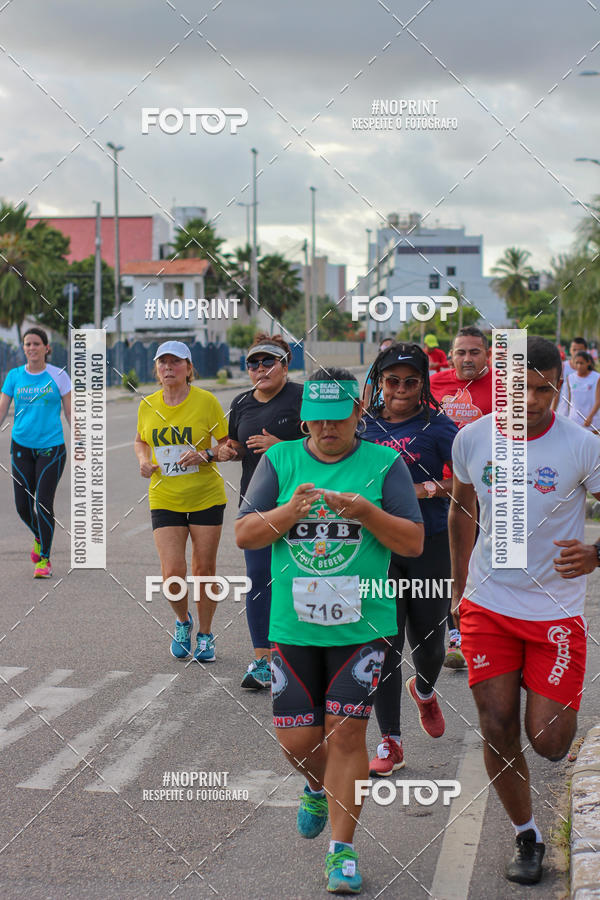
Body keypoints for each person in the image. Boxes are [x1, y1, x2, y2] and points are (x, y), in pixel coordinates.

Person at [235, 368, 423, 895]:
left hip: (365, 626)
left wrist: (366, 513)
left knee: (345, 735)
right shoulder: (280, 460)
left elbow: (411, 542)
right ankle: (316, 785)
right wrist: (286, 514)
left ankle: (342, 852)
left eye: (337, 419)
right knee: (297, 741)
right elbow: (244, 533)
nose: (326, 430)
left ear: (358, 414)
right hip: (293, 626)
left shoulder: (384, 464)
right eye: (315, 420)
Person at [449, 336, 600, 886]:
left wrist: (596, 553)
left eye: (543, 389)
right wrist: (457, 586)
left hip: (555, 614)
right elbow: (462, 509)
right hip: (487, 606)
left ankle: (555, 713)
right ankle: (527, 834)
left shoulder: (582, 447)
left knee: (551, 742)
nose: (531, 400)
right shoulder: (472, 438)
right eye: (519, 388)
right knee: (496, 724)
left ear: (560, 387)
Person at [362, 343, 458, 776]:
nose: (400, 389)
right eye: (392, 380)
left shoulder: (440, 429)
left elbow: (468, 486)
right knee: (384, 645)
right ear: (379, 382)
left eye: (411, 381)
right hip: (377, 550)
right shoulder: (361, 428)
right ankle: (391, 741)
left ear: (423, 385)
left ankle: (423, 690)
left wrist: (426, 491)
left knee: (430, 645)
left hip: (429, 545)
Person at [216, 333, 303, 690]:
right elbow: (235, 442)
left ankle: (298, 658)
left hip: (300, 506)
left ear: (286, 364)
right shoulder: (241, 403)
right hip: (256, 504)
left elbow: (329, 443)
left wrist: (280, 446)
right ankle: (263, 662)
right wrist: (228, 450)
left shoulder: (302, 398)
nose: (261, 369)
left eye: (269, 362)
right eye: (254, 363)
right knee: (258, 582)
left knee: (297, 581)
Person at [135, 340, 229, 663]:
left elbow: (227, 446)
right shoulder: (147, 405)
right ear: (157, 369)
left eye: (176, 363)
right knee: (172, 573)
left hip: (206, 495)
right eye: (163, 363)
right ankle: (182, 621)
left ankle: (205, 634)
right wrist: (143, 460)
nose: (168, 368)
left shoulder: (207, 402)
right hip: (165, 496)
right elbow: (140, 441)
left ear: (189, 369)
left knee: (203, 570)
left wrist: (205, 454)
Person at [430, 326, 493, 668]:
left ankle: (475, 630)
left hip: (482, 492)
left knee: (477, 563)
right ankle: (456, 633)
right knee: (445, 565)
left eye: (474, 352)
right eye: (461, 352)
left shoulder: (502, 387)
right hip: (438, 489)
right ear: (451, 355)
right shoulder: (434, 384)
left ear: (487, 355)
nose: (467, 358)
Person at [0, 327, 71, 578]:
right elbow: (2, 410)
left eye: (36, 344)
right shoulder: (14, 376)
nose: (31, 348)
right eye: (27, 344)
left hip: (51, 448)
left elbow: (71, 413)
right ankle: (40, 536)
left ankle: (45, 560)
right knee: (22, 507)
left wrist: (84, 439)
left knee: (43, 504)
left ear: (46, 348)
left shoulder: (59, 376)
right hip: (21, 447)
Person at [565, 351, 600, 434]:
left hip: (592, 421)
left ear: (588, 363)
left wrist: (590, 417)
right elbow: (569, 401)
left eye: (582, 363)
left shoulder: (596, 377)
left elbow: (598, 400)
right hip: (574, 421)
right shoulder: (570, 378)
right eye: (577, 363)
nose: (579, 366)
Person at [552, 336, 587, 416]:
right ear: (570, 350)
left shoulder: (590, 371)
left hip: (583, 416)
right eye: (574, 350)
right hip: (563, 413)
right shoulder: (563, 367)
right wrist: (552, 412)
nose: (577, 352)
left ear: (585, 351)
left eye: (580, 350)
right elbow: (557, 391)